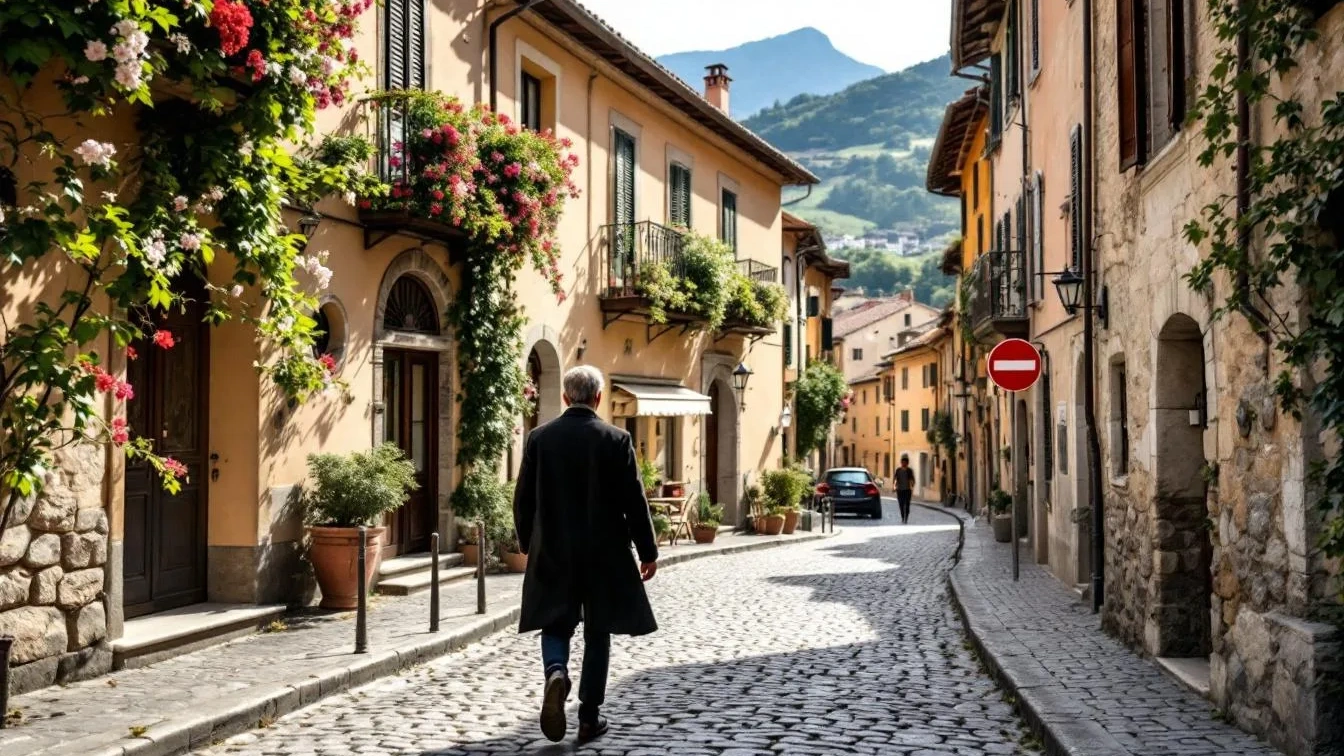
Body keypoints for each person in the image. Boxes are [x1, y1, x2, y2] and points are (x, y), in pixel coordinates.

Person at [513, 365, 659, 745]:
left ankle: (556, 671)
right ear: (597, 398)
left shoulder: (539, 439)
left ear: (565, 397)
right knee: (598, 631)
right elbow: (634, 501)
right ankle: (589, 718)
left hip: (554, 549)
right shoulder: (617, 439)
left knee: (555, 623)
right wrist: (648, 551)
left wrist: (528, 543)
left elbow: (523, 498)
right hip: (603, 552)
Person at [893, 454, 916, 524]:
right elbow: (895, 479)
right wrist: (894, 486)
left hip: (907, 490)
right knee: (901, 504)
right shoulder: (898, 470)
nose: (904, 463)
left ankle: (906, 518)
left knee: (907, 505)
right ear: (901, 462)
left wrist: (912, 486)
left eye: (905, 462)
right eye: (903, 462)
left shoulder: (909, 470)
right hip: (899, 490)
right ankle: (903, 517)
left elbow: (912, 479)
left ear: (907, 463)